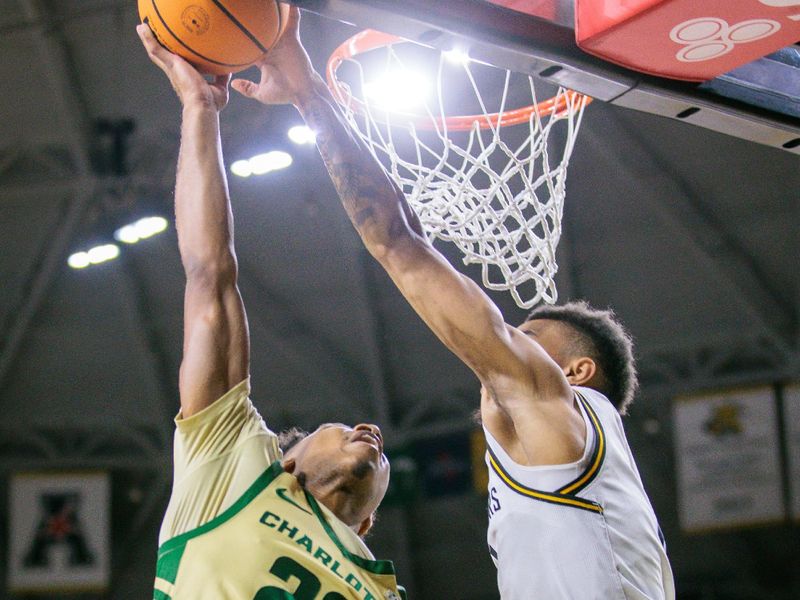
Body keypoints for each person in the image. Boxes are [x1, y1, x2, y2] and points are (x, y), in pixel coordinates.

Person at [232, 8, 675, 599]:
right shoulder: (588, 471)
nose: (504, 343)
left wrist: (310, 94)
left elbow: (397, 242)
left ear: (574, 373)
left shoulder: (548, 403)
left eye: (526, 338)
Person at [136, 23, 405, 600]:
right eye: (340, 428)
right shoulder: (230, 465)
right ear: (285, 462)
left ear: (365, 527)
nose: (370, 431)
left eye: (353, 431)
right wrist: (199, 109)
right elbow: (210, 280)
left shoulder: (380, 592)